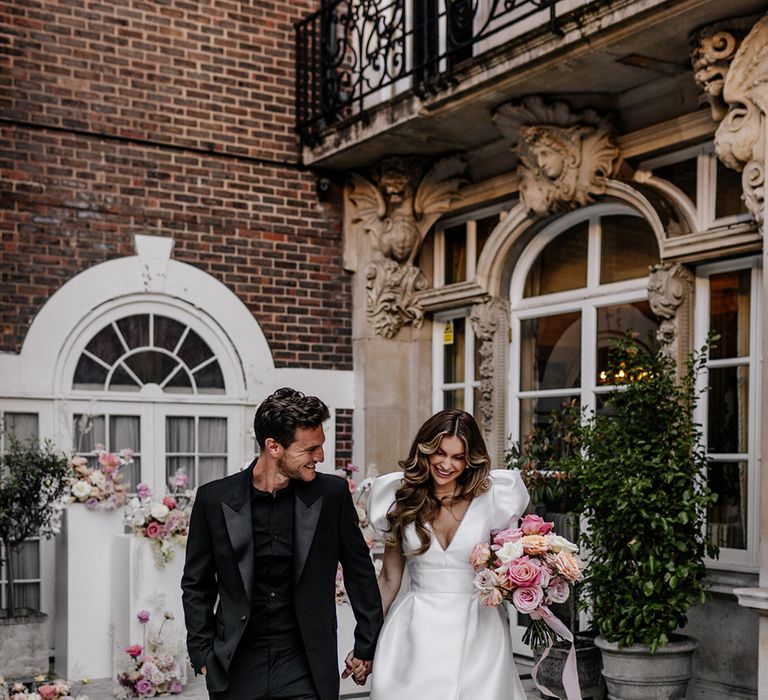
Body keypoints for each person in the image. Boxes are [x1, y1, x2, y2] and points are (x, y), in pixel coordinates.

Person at [181, 387, 383, 700]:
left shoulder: (331, 495)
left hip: (306, 662)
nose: (321, 457)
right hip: (237, 663)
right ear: (273, 446)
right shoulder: (214, 499)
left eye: (321, 447)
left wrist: (366, 645)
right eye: (310, 449)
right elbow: (197, 584)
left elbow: (359, 571)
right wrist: (202, 652)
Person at [366, 408, 530, 699]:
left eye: (458, 457)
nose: (446, 464)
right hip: (415, 631)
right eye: (439, 453)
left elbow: (507, 565)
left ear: (470, 460)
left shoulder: (494, 498)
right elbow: (389, 579)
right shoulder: (398, 499)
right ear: (425, 450)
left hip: (480, 629)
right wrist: (365, 641)